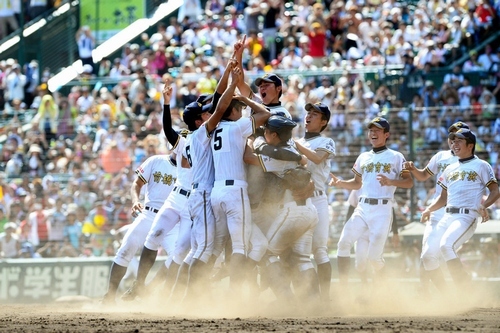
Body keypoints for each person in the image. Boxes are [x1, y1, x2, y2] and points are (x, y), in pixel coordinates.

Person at [121, 85, 196, 302]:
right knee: (153, 238)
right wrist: (165, 104)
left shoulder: (203, 141)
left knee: (180, 255)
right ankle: (140, 286)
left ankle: (161, 293)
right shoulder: (170, 154)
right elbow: (168, 130)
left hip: (194, 202)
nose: (178, 144)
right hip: (175, 200)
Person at [329, 117, 413, 296]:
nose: (373, 133)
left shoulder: (396, 156)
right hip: (362, 207)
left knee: (374, 258)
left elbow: (409, 182)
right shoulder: (363, 157)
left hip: (382, 209)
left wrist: (391, 181)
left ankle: (385, 290)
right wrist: (341, 183)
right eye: (371, 130)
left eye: (377, 130)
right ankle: (343, 288)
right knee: (343, 243)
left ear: (386, 134)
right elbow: (357, 183)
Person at [244, 115, 319, 309]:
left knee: (267, 252)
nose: (265, 132)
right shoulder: (292, 149)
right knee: (303, 258)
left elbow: (250, 157)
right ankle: (314, 302)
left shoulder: (278, 156)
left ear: (275, 134)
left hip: (292, 212)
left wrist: (254, 138)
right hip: (309, 211)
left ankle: (286, 300)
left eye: (268, 130)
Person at [209, 84, 271, 302]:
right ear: (234, 111)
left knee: (215, 246)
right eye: (240, 109)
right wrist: (244, 99)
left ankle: (200, 287)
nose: (243, 113)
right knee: (240, 246)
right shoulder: (238, 126)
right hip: (235, 190)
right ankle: (233, 296)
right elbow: (265, 113)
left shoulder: (212, 128)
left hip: (216, 192)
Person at [420, 129, 499, 292]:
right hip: (447, 215)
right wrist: (428, 209)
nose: (454, 144)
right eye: (453, 141)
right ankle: (447, 295)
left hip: (466, 216)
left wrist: (485, 205)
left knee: (446, 245)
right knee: (427, 256)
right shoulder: (449, 168)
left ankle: (464, 288)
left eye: (459, 141)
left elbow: (495, 190)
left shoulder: (481, 165)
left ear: (470, 145)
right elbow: (443, 198)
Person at [101, 152, 178, 305]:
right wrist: (135, 200)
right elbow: (137, 184)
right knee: (125, 250)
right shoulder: (156, 160)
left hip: (172, 219)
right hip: (149, 213)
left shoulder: (189, 167)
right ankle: (109, 296)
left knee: (178, 256)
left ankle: (145, 287)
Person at [404, 121, 470, 294]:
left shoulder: (472, 162)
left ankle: (462, 290)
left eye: (458, 136)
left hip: (458, 213)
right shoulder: (440, 156)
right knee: (427, 252)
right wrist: (413, 169)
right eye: (452, 136)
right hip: (438, 209)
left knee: (444, 250)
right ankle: (430, 292)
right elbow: (424, 175)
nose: (454, 140)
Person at [293, 102, 336, 303]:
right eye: (308, 113)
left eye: (315, 114)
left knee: (319, 250)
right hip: (297, 200)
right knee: (299, 252)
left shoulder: (326, 142)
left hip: (317, 199)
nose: (308, 116)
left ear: (323, 121)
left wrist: (294, 144)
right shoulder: (297, 141)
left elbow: (317, 159)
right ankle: (306, 298)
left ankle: (325, 299)